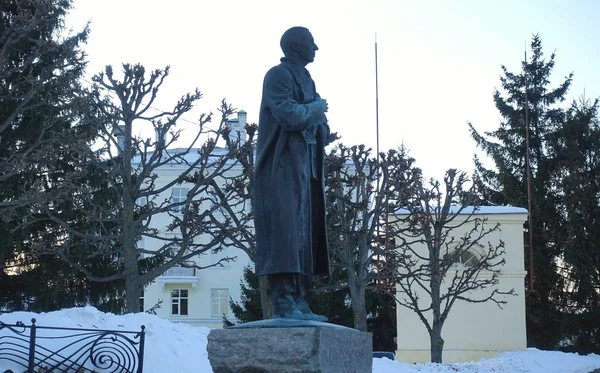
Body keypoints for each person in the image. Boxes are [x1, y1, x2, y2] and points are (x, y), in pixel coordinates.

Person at [254, 26, 330, 321]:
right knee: (284, 233)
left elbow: (314, 119)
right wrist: (316, 109)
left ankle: (298, 299)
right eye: (311, 42)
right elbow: (289, 115)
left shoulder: (307, 78)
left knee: (303, 236)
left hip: (306, 167)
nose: (316, 48)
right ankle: (283, 301)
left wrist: (320, 122)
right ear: (297, 47)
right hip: (281, 166)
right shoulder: (278, 75)